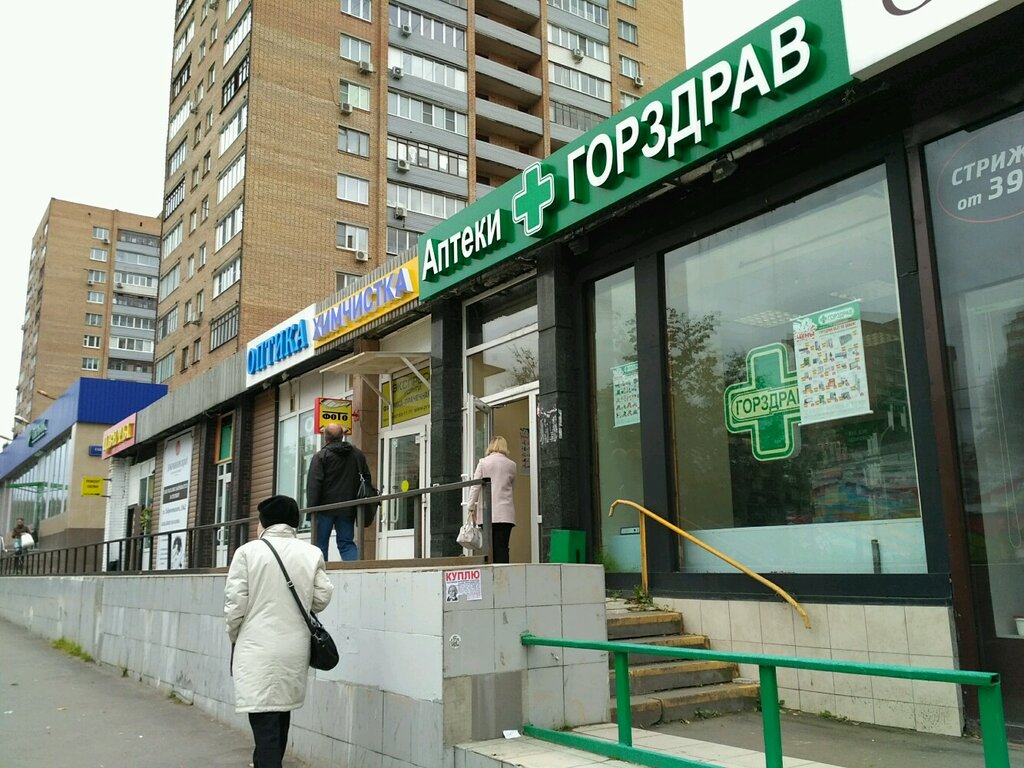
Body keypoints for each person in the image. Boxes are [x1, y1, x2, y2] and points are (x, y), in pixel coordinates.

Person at [225, 495, 333, 768]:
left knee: (264, 724)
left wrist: (235, 634)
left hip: (256, 648)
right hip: (294, 649)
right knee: (280, 718)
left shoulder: (246, 553)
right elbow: (322, 597)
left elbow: (234, 606)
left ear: (265, 522)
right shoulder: (311, 553)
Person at [306, 423, 372, 561]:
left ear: (326, 438)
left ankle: (321, 572)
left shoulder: (321, 456)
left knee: (320, 545)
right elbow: (366, 478)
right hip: (348, 507)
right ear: (342, 436)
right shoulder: (357, 454)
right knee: (346, 544)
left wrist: (311, 510)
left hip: (324, 509)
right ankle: (355, 571)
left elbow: (314, 485)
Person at [467, 436, 518, 564]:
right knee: (502, 547)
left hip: (487, 512)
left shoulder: (483, 463)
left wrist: (471, 506)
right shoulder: (512, 465)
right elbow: (512, 487)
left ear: (490, 446)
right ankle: (504, 572)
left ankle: (490, 571)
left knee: (489, 548)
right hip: (505, 513)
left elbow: (475, 487)